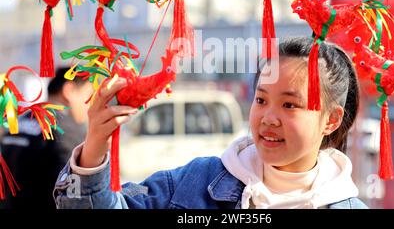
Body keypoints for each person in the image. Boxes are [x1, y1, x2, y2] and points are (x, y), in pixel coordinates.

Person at [53, 37, 368, 209]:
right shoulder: (194, 184)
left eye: (289, 105)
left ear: (331, 120)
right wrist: (95, 146)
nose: (269, 118)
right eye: (261, 100)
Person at [0, 67, 91, 209]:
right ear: (69, 90)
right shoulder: (66, 129)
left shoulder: (20, 121)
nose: (90, 106)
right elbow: (74, 196)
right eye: (89, 96)